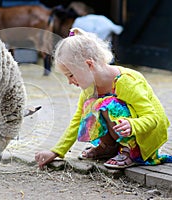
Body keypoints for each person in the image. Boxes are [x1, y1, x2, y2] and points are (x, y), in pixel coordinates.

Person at [35, 28, 172, 169]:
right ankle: (108, 147)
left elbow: (153, 118)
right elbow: (77, 120)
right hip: (123, 132)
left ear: (89, 65)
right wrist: (56, 151)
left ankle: (131, 151)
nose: (70, 81)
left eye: (71, 75)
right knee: (90, 105)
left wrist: (133, 125)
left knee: (107, 103)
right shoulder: (90, 89)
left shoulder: (125, 82)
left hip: (145, 137)